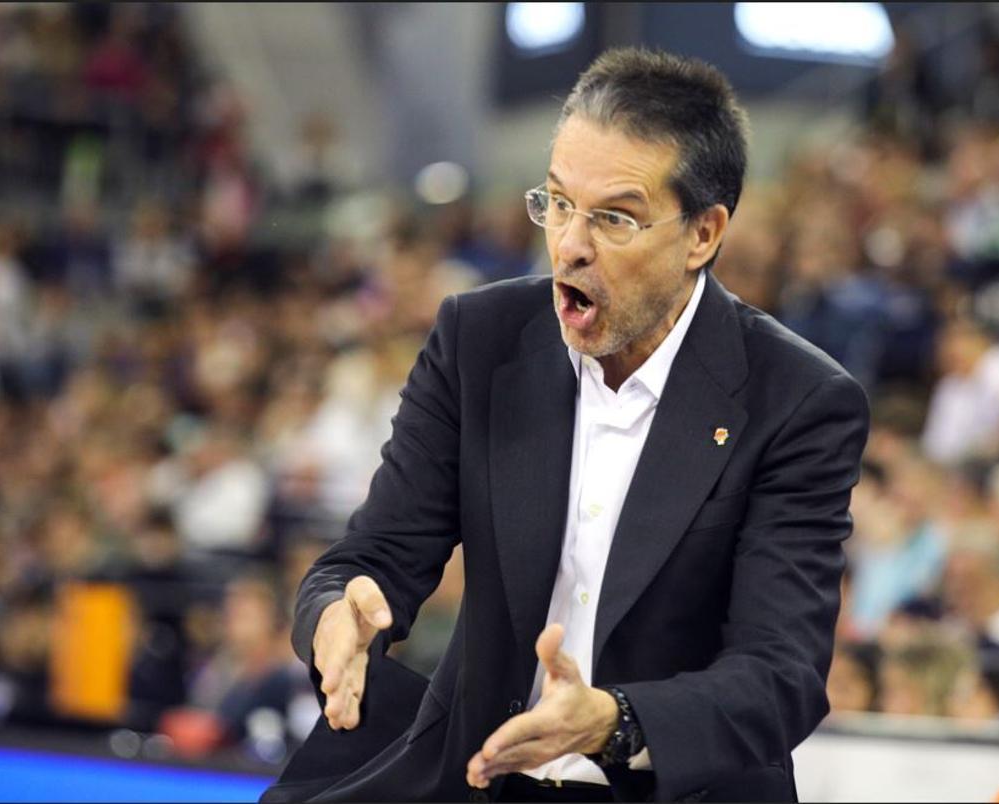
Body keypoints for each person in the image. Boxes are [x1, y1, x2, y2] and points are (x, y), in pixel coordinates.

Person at [262, 48, 869, 803]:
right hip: (476, 777)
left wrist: (611, 723)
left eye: (614, 217)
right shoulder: (479, 339)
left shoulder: (799, 400)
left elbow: (780, 680)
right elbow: (374, 555)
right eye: (555, 203)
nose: (570, 245)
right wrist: (337, 615)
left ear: (702, 235)